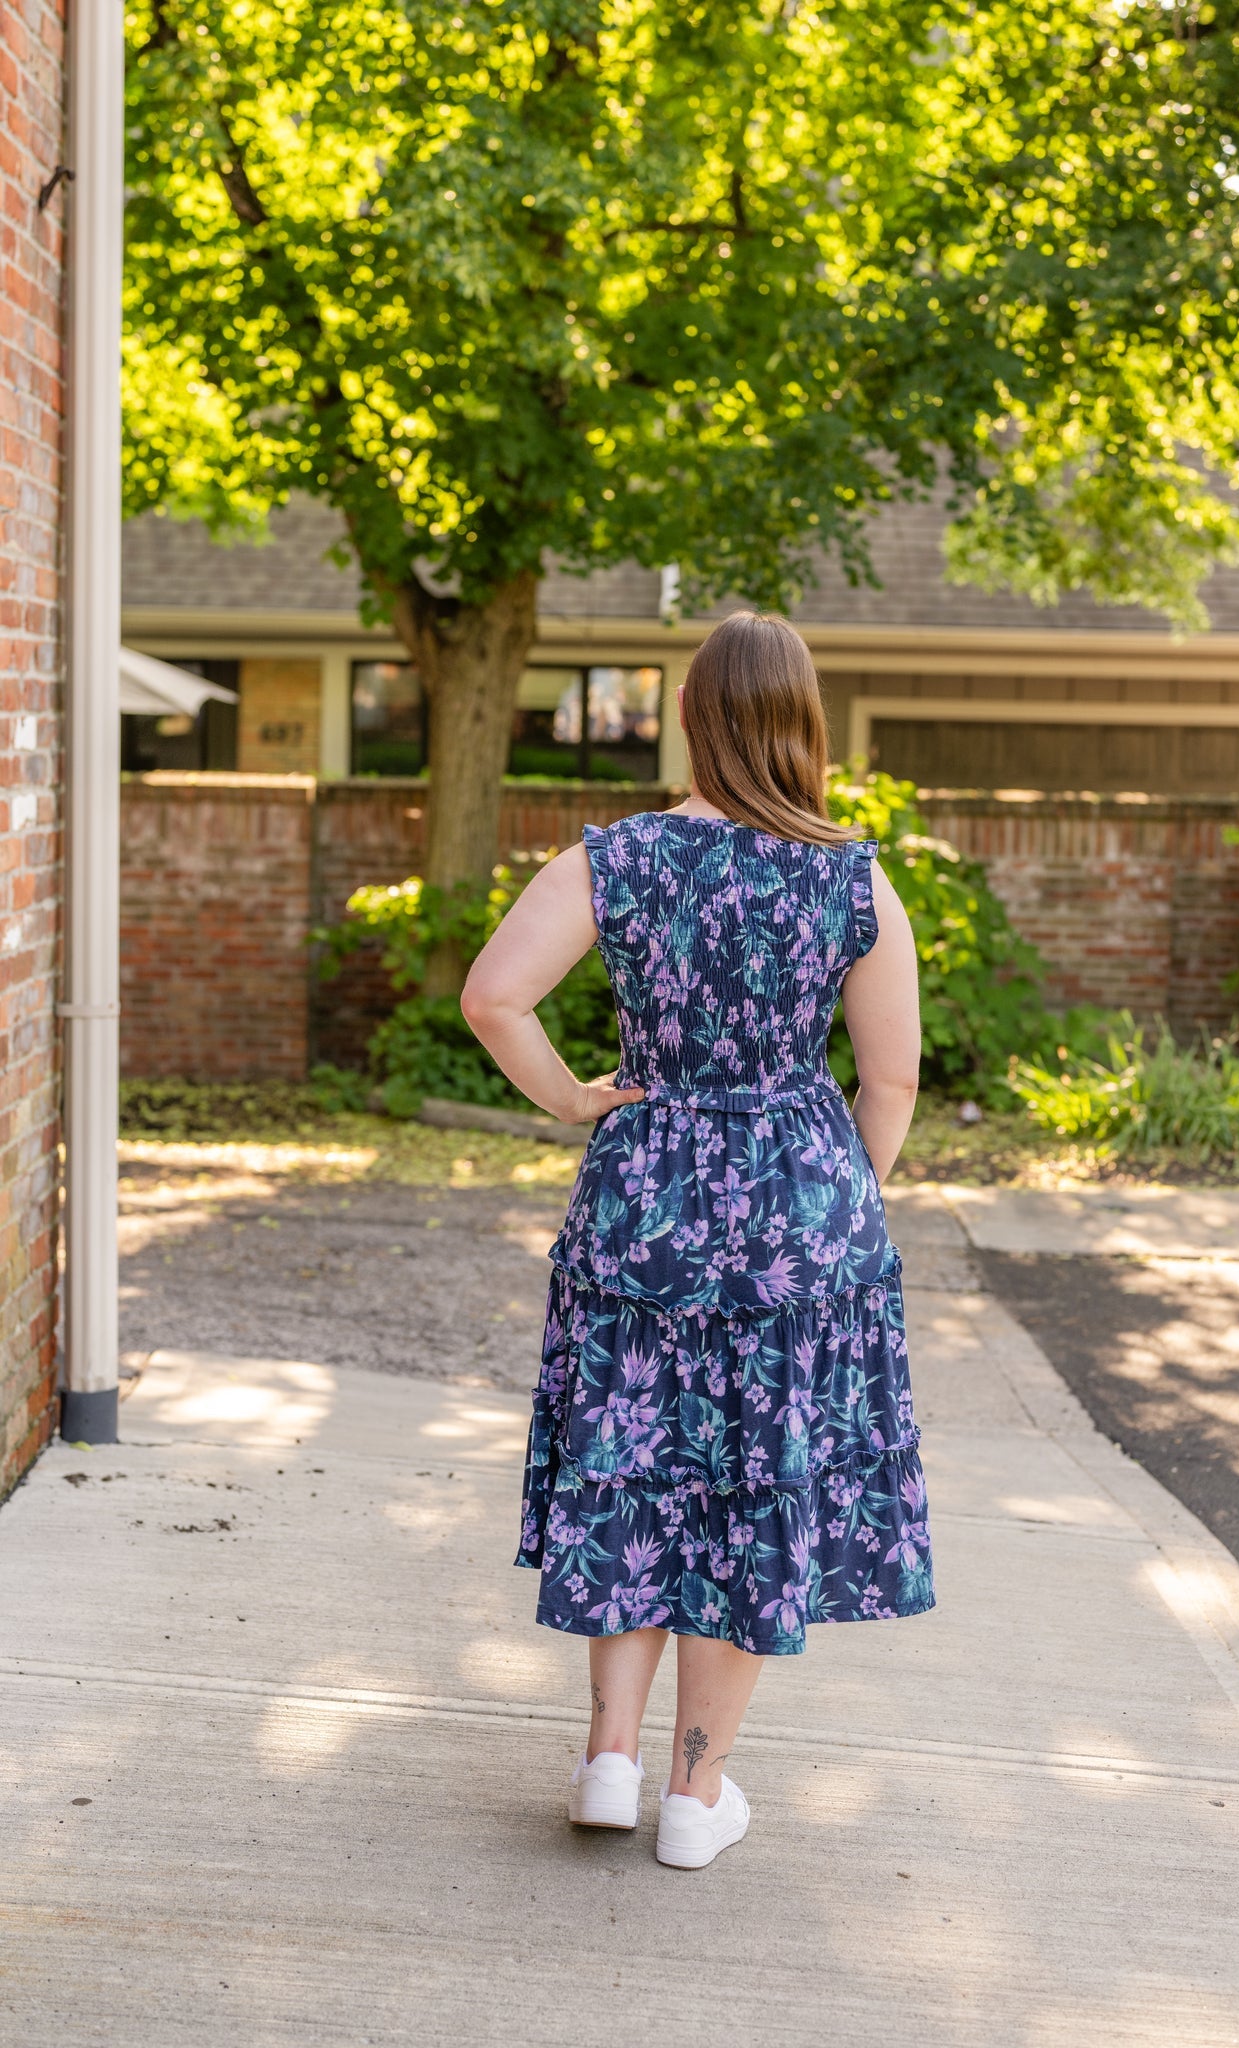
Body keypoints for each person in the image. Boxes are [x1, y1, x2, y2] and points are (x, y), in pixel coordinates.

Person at [461, 610, 933, 1869]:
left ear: (688, 716)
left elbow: (493, 996)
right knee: (749, 1493)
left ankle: (609, 1757)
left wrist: (572, 1098)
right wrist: (840, 1202)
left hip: (643, 1202)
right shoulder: (852, 877)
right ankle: (695, 1791)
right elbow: (889, 1081)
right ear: (804, 725)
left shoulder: (616, 861)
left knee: (638, 1469)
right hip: (798, 1217)